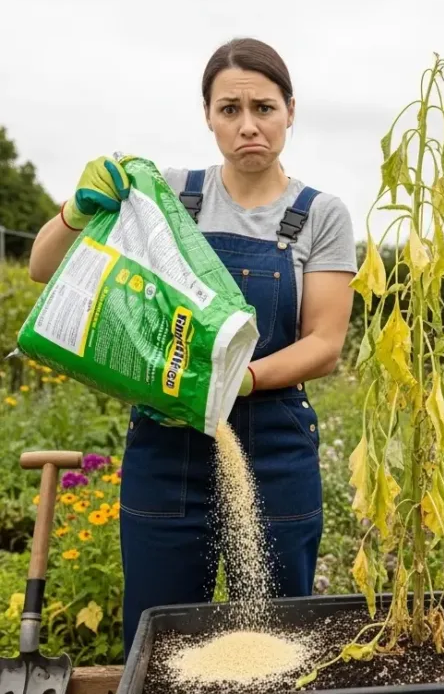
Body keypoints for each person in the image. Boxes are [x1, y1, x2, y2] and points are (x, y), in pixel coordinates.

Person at [26, 37, 357, 653]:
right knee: (162, 641)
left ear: (290, 109)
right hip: (164, 451)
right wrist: (77, 209)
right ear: (208, 116)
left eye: (264, 107)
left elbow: (325, 343)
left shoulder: (319, 214)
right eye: (229, 110)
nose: (248, 125)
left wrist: (237, 380)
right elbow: (44, 269)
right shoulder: (167, 197)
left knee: (281, 642)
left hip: (273, 450)